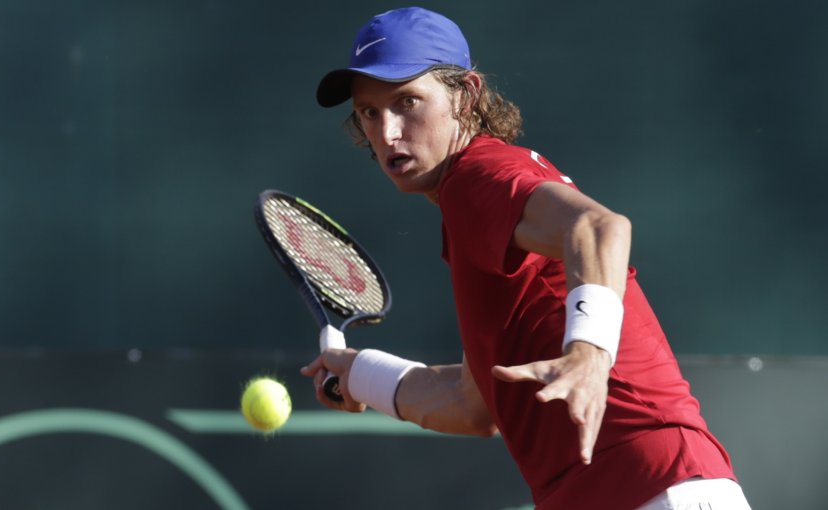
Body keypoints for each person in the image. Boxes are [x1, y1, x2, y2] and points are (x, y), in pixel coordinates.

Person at [301, 7, 751, 510]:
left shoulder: (480, 178)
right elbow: (473, 404)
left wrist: (588, 355)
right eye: (369, 112)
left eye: (407, 102)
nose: (387, 134)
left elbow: (600, 227)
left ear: (465, 96)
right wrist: (359, 375)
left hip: (656, 482)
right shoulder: (468, 207)